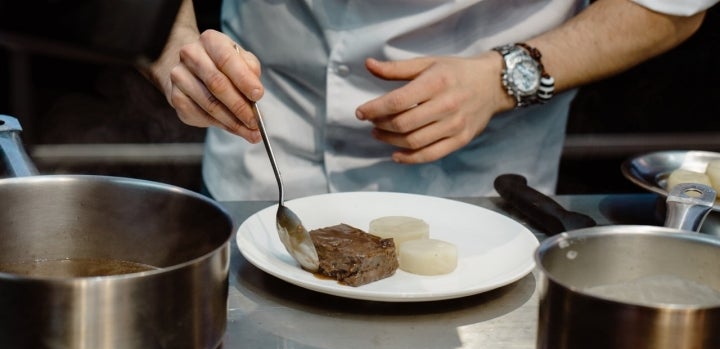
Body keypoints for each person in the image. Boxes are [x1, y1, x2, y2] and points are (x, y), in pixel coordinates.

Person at [144, 0, 717, 200]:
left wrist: (503, 78)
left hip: (482, 173)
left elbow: (670, 6)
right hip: (266, 153)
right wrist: (178, 50)